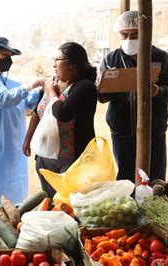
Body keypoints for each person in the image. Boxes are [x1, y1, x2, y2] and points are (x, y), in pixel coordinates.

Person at [98, 10, 168, 183]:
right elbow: (101, 97)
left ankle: (153, 207)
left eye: (135, 35)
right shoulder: (111, 59)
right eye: (124, 35)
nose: (129, 40)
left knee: (155, 179)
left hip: (153, 130)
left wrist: (157, 91)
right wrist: (105, 88)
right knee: (126, 179)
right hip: (122, 130)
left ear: (146, 33)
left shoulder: (162, 58)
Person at [0, 37, 44, 203]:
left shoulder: (10, 82)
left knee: (16, 193)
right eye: (5, 55)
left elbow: (25, 105)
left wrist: (40, 92)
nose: (9, 60)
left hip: (13, 145)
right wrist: (29, 86)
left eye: (10, 56)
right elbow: (2, 99)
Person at [22, 42, 97, 198]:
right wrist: (28, 139)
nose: (53, 64)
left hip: (72, 159)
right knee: (51, 201)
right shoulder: (54, 83)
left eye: (57, 60)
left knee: (70, 201)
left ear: (72, 64)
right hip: (45, 156)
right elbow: (37, 112)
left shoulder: (85, 87)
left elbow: (62, 114)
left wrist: (51, 93)